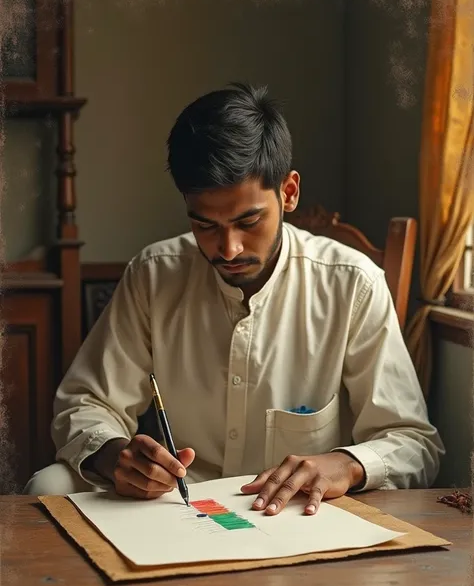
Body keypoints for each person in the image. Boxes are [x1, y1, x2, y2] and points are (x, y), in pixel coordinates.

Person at [25, 83, 444, 515]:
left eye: (248, 221)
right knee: (48, 483)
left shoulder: (353, 285)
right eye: (205, 225)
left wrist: (347, 464)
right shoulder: (154, 275)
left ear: (289, 192)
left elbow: (414, 442)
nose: (228, 249)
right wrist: (115, 456)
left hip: (296, 512)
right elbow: (87, 402)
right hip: (176, 503)